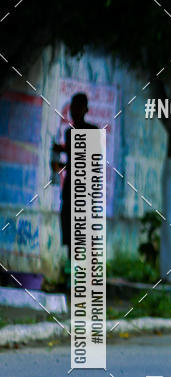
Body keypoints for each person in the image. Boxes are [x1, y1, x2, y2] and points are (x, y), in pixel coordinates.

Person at [53, 93, 97, 256]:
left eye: (78, 107)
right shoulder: (70, 133)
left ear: (86, 109)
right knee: (71, 239)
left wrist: (63, 152)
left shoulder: (91, 132)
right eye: (73, 107)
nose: (74, 110)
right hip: (71, 191)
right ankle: (73, 274)